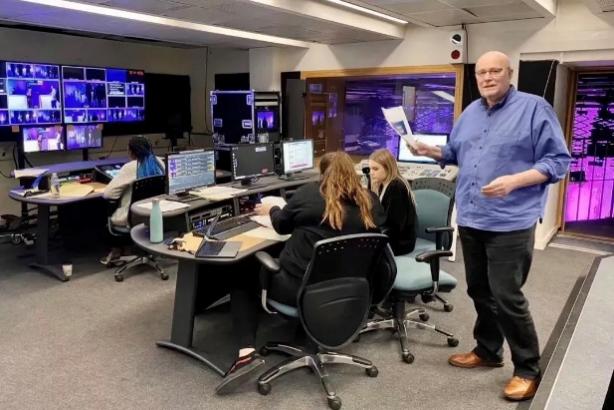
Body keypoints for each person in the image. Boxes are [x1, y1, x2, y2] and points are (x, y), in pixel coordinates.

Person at [408, 50, 571, 401]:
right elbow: (455, 153)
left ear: (509, 73)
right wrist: (429, 151)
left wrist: (516, 180)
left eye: (495, 70)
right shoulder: (470, 112)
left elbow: (558, 161)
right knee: (479, 291)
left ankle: (527, 369)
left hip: (510, 222)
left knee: (507, 296)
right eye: (481, 72)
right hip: (471, 217)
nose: (487, 77)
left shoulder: (534, 108)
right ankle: (488, 350)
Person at [215, 151, 386, 395]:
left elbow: (281, 225)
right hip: (350, 290)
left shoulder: (309, 194)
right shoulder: (370, 201)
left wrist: (273, 209)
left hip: (298, 290)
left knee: (242, 268)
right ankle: (307, 327)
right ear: (352, 172)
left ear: (323, 174)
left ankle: (246, 354)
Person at [101, 136, 165, 265]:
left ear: (131, 152)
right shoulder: (160, 162)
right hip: (154, 215)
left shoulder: (130, 167)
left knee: (103, 207)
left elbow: (108, 194)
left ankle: (116, 252)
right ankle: (128, 250)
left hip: (132, 218)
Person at [368, 148, 417, 255]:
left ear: (388, 168)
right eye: (370, 168)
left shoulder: (396, 186)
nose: (371, 173)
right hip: (388, 234)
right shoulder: (381, 183)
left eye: (375, 169)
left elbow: (394, 224)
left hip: (400, 241)